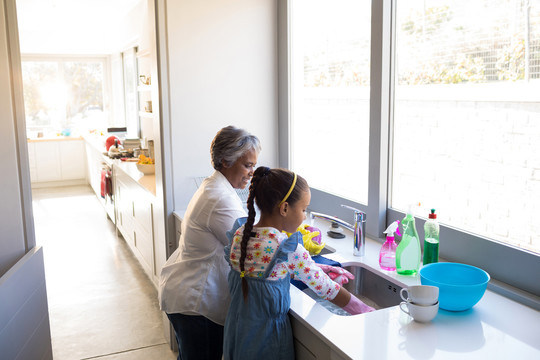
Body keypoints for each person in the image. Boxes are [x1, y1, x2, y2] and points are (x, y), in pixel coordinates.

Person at [223, 167, 375, 359]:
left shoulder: (240, 234)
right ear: (285, 208)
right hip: (267, 341)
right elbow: (326, 288)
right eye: (303, 209)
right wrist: (364, 310)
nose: (304, 216)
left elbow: (263, 269)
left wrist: (318, 267)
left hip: (237, 332)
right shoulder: (285, 247)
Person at [159, 126, 261, 360]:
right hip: (196, 302)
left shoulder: (215, 187)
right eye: (248, 165)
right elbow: (250, 248)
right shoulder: (219, 197)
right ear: (226, 160)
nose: (252, 172)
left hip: (188, 295)